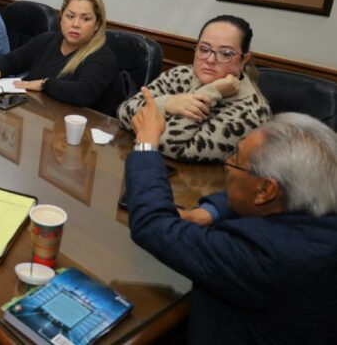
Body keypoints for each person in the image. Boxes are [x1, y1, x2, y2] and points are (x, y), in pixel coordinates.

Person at [126, 88, 337, 344]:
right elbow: (257, 192)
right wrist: (208, 212)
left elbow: (153, 225)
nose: (227, 163)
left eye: (235, 158)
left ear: (265, 190)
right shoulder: (315, 195)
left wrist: (146, 144)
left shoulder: (270, 257)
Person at [117, 15, 271, 162]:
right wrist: (168, 104)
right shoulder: (181, 74)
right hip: (150, 165)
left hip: (201, 179)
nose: (210, 59)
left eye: (226, 53)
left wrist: (210, 93)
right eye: (204, 49)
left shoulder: (251, 111)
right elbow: (124, 111)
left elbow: (168, 145)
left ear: (244, 60)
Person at [0, 0, 124, 116]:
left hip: (81, 129)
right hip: (38, 115)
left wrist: (44, 84)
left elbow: (83, 93)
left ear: (97, 24)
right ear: (61, 18)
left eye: (85, 19)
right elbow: (12, 60)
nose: (76, 24)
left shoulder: (102, 56)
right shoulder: (48, 40)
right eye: (70, 16)